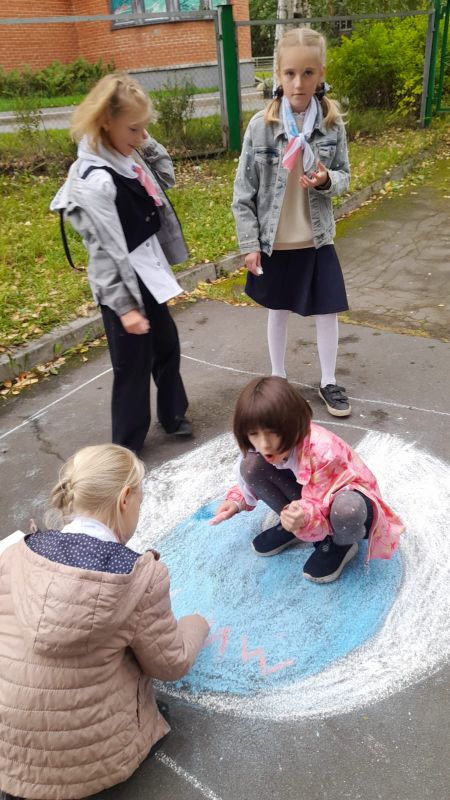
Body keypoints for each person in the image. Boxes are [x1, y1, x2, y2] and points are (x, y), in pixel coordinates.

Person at [0, 444, 209, 800]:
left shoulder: (17, 551)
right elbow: (170, 664)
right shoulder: (139, 576)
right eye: (140, 500)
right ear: (125, 499)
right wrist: (196, 626)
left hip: (9, 752)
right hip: (81, 760)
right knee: (150, 689)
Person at [51, 73, 191, 452]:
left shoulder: (129, 156)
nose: (141, 135)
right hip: (119, 283)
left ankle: (173, 415)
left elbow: (166, 177)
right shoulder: (93, 179)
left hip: (146, 270)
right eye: (134, 128)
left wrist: (143, 140)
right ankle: (127, 445)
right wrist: (125, 307)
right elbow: (100, 255)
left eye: (144, 127)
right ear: (105, 123)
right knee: (132, 364)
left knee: (166, 344)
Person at [232, 27, 352, 417]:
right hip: (276, 241)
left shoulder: (332, 125)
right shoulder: (261, 126)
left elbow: (345, 176)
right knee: (278, 309)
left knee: (327, 310)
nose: (298, 83)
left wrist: (327, 180)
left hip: (316, 239)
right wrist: (250, 244)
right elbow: (243, 193)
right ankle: (278, 378)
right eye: (290, 73)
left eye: (307, 73)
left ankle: (329, 380)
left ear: (320, 74)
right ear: (278, 75)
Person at [211, 377, 405, 583]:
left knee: (348, 508)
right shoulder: (265, 445)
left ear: (292, 425)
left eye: (271, 433)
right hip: (313, 497)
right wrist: (236, 501)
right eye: (253, 434)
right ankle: (292, 526)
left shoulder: (324, 453)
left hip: (350, 505)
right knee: (251, 466)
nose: (264, 444)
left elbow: (319, 501)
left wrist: (302, 519)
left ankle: (341, 544)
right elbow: (250, 474)